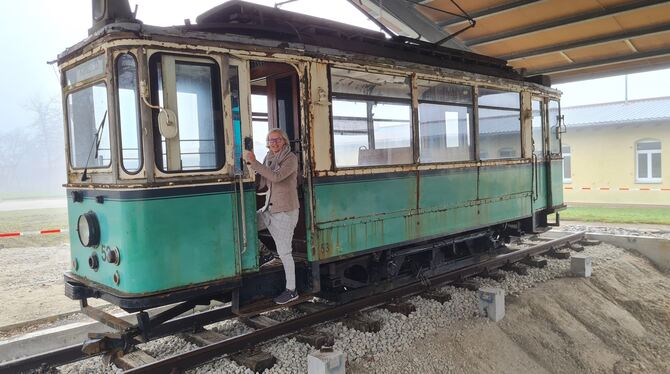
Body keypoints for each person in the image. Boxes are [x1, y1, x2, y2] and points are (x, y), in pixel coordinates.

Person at [244, 128, 299, 305]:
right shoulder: (269, 157)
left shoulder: (291, 159)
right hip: (270, 209)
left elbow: (276, 177)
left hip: (285, 211)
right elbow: (264, 179)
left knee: (285, 252)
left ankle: (292, 290)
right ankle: (266, 255)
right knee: (247, 225)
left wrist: (255, 163)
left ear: (284, 141)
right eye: (270, 140)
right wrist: (249, 169)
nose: (273, 143)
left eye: (277, 140)